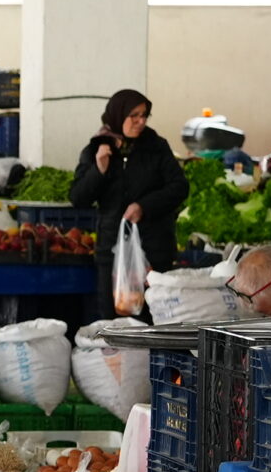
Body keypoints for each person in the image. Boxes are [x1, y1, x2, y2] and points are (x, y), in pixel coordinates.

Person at [69, 90, 188, 321]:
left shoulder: (156, 146)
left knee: (151, 320)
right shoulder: (97, 149)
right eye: (134, 115)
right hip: (112, 252)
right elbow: (78, 198)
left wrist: (144, 206)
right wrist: (99, 170)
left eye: (144, 115)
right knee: (114, 321)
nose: (141, 121)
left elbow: (179, 187)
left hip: (153, 251)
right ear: (118, 114)